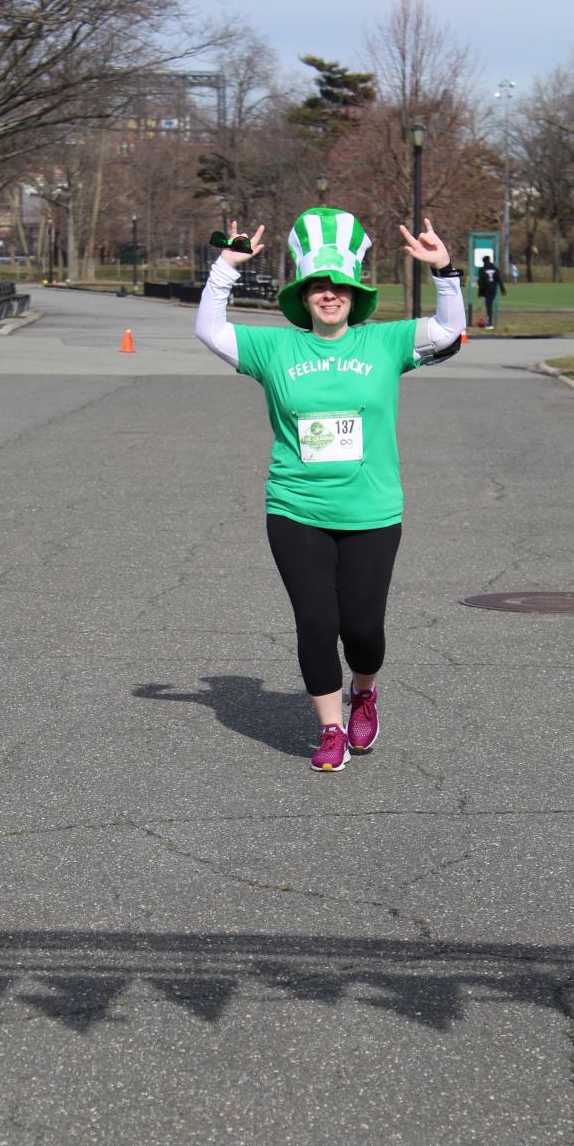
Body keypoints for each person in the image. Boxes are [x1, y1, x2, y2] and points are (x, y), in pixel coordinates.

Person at [195, 206, 465, 771]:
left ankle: (363, 692)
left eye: (339, 286)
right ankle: (331, 728)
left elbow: (446, 331)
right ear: (303, 295)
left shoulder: (384, 342)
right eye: (319, 286)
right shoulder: (274, 349)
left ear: (354, 295)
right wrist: (225, 268)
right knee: (316, 623)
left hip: (371, 509)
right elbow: (210, 331)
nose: (329, 294)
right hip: (296, 507)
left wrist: (445, 273)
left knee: (362, 629)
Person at [477, 255, 505, 328]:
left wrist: (480, 293)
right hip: (493, 290)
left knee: (488, 306)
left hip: (486, 290)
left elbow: (480, 282)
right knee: (489, 305)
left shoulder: (482, 270)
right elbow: (499, 280)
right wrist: (503, 289)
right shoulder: (495, 269)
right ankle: (488, 322)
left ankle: (489, 323)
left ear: (483, 261)